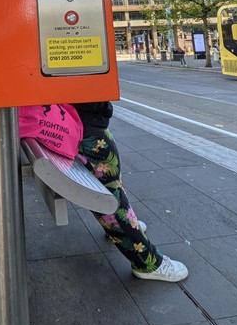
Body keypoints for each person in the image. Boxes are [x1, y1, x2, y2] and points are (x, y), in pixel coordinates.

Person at [72, 102, 188, 282]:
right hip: (85, 127)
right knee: (109, 197)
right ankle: (147, 263)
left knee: (111, 188)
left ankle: (125, 228)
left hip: (81, 123)